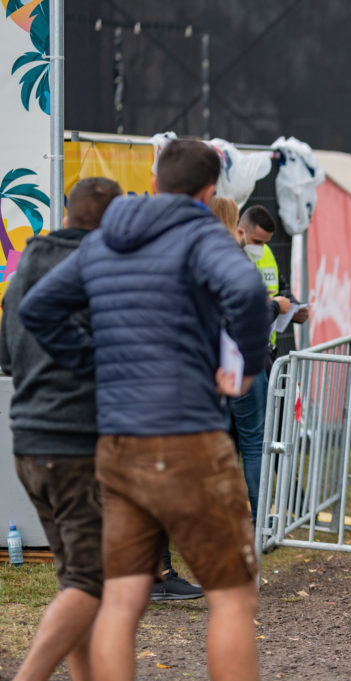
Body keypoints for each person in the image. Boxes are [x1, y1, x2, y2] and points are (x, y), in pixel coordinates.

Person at [19, 139, 269, 681]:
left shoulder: (107, 236)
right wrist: (247, 367)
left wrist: (94, 361)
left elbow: (38, 307)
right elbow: (249, 294)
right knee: (232, 597)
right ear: (210, 191)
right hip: (188, 438)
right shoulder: (201, 231)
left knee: (122, 599)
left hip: (118, 443)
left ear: (154, 181)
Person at [0, 178, 121, 681]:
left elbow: (7, 357)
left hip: (28, 443)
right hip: (75, 444)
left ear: (68, 212)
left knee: (76, 580)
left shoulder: (27, 264)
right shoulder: (101, 270)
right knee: (91, 582)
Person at [231, 205, 302, 525]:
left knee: (243, 440)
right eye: (257, 241)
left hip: (256, 354)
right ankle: (258, 520)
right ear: (239, 229)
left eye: (265, 242)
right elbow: (246, 313)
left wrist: (292, 307)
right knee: (253, 442)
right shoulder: (231, 261)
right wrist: (274, 306)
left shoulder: (262, 255)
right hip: (243, 357)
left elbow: (282, 290)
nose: (261, 248)